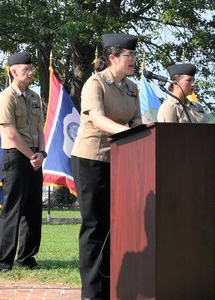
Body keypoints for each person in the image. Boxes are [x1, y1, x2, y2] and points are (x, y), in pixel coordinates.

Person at [71, 33, 141, 299]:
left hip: (120, 161)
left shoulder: (132, 87)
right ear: (112, 58)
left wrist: (140, 129)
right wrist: (129, 133)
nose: (133, 59)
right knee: (95, 225)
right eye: (129, 55)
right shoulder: (95, 83)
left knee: (116, 226)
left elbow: (135, 120)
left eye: (134, 55)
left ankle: (112, 286)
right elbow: (98, 120)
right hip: (92, 160)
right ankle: (91, 291)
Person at [0, 51, 46, 273]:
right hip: (16, 157)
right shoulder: (6, 97)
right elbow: (11, 133)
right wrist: (31, 156)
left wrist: (42, 153)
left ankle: (27, 257)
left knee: (33, 209)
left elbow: (39, 129)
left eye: (32, 68)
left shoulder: (35, 97)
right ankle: (4, 261)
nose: (32, 72)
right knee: (13, 209)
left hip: (35, 157)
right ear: (14, 72)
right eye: (27, 69)